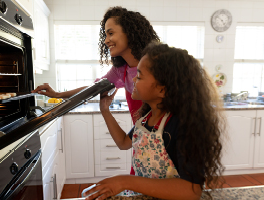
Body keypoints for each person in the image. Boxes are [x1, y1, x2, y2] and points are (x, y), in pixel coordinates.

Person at [82, 41, 226, 200]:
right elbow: (123, 142)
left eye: (140, 75)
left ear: (162, 89)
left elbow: (191, 191)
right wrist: (105, 110)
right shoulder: (146, 119)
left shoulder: (181, 125)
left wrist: (126, 181)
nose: (134, 78)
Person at [31, 6, 160, 124]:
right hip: (142, 137)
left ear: (129, 32)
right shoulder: (121, 70)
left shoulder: (157, 64)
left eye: (111, 33)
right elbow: (92, 90)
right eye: (105, 35)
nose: (106, 40)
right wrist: (58, 94)